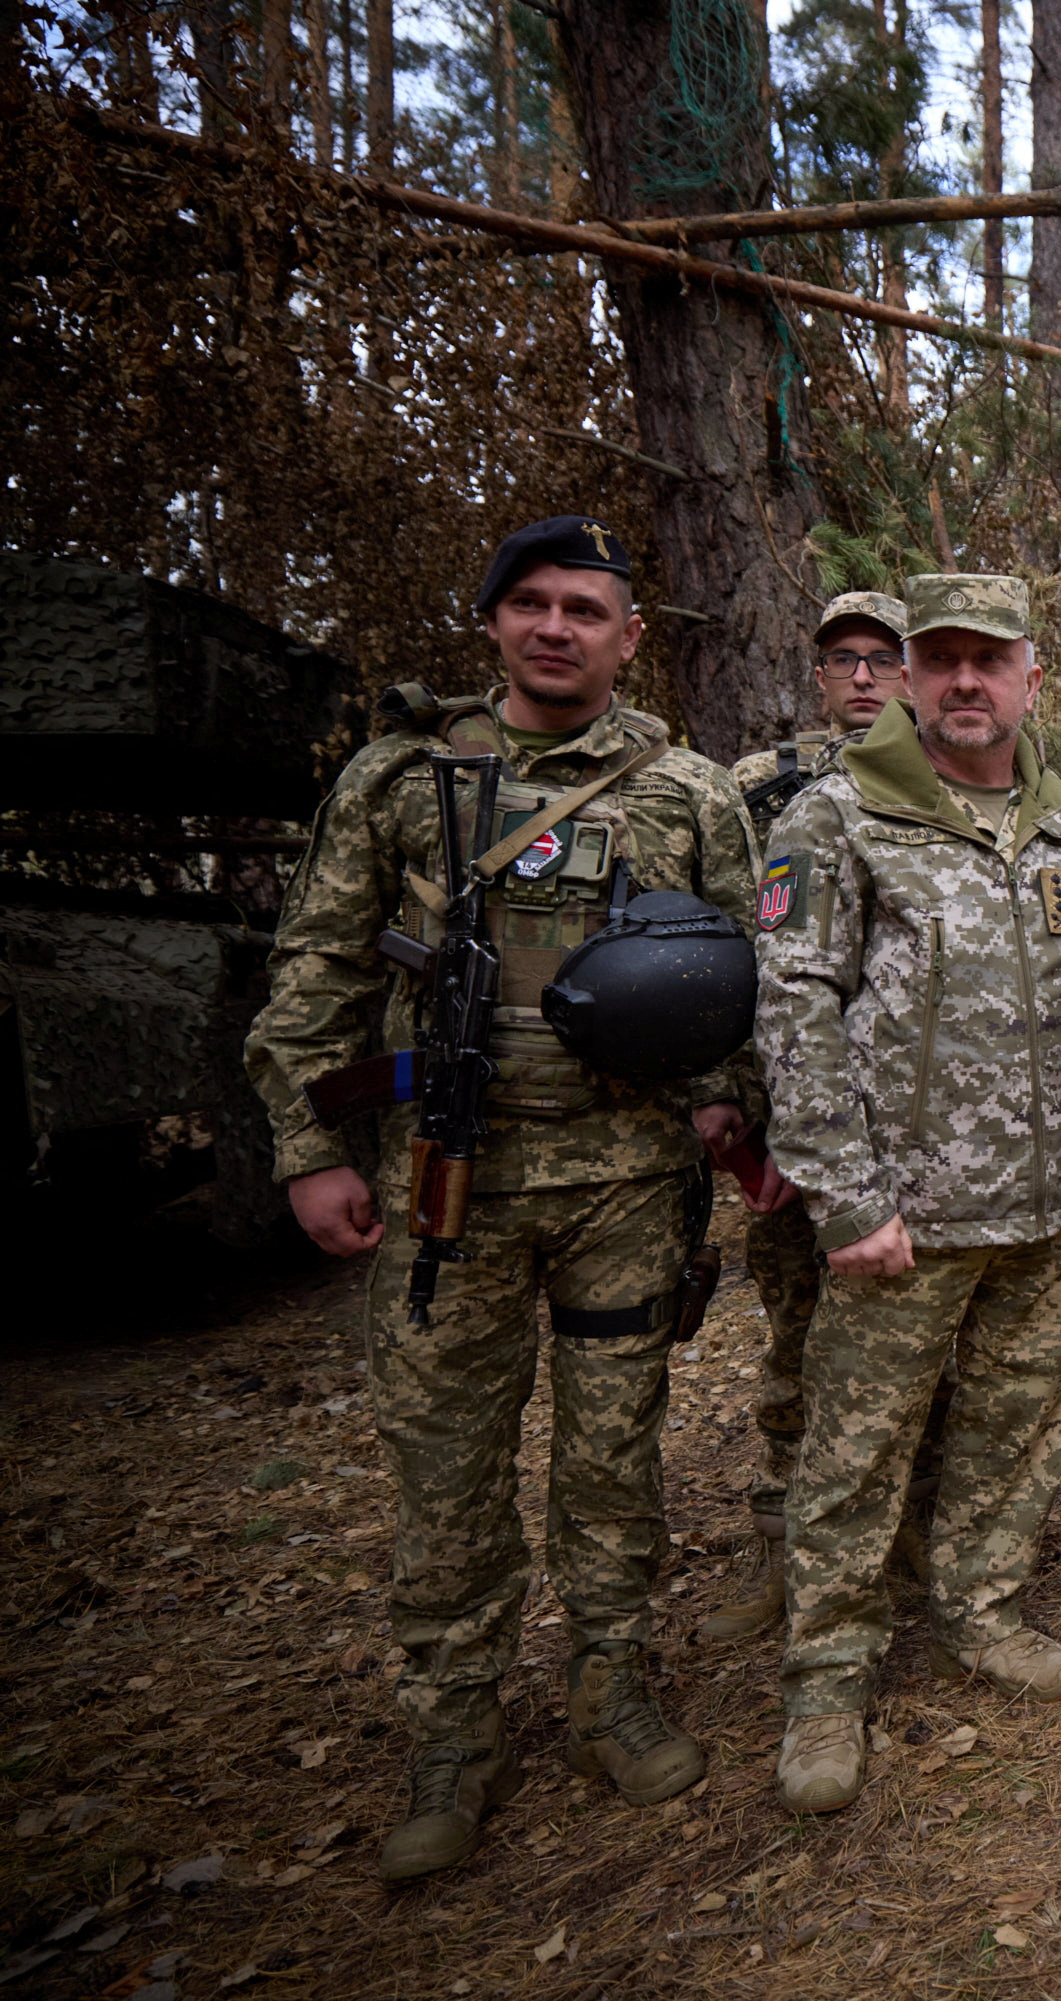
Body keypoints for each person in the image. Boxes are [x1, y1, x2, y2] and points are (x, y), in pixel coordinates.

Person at [243, 515, 761, 1882]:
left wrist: (728, 1098)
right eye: (528, 603)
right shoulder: (403, 779)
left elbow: (743, 982)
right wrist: (309, 1148)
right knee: (448, 1470)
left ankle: (612, 1680)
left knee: (613, 1456)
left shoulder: (688, 793)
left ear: (628, 637)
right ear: (489, 624)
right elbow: (320, 967)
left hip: (626, 1185)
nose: (554, 628)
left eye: (584, 609)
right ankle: (453, 1730)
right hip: (443, 1182)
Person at [757, 572, 1061, 1813]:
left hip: (1049, 1201)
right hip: (905, 1213)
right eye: (939, 659)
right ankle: (826, 1678)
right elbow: (793, 1009)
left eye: (988, 659)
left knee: (1021, 1426)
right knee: (856, 1450)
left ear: (1029, 676)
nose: (965, 681)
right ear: (904, 676)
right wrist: (845, 1199)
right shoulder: (837, 817)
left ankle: (981, 1604)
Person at [701, 587, 932, 1646]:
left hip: (921, 1130)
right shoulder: (755, 789)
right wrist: (749, 1118)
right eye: (843, 657)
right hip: (795, 1125)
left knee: (922, 1347)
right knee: (796, 1343)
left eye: (884, 657)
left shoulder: (950, 778)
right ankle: (784, 1553)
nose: (863, 677)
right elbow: (732, 962)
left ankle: (914, 1546)